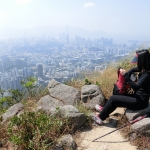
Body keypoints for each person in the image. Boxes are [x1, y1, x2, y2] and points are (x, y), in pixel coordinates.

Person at [93, 49, 150, 125]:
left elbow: (136, 87)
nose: (137, 62)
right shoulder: (145, 69)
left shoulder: (147, 74)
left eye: (138, 59)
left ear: (142, 60)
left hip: (140, 102)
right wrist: (130, 71)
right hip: (137, 97)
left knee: (114, 99)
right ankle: (105, 110)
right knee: (117, 95)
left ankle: (100, 118)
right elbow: (136, 69)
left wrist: (126, 75)